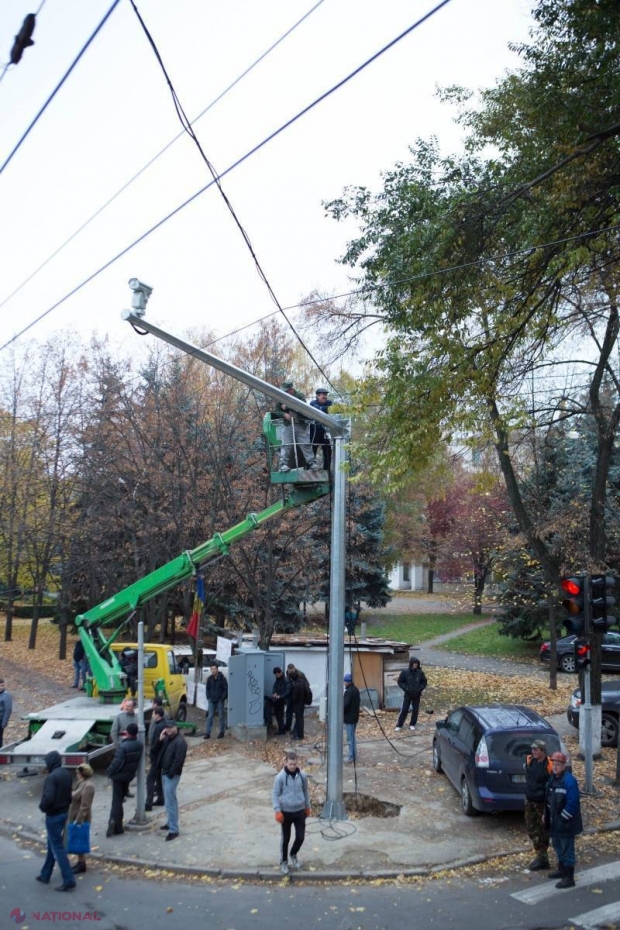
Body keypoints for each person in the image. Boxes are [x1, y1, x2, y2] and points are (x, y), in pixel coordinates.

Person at [36, 750, 75, 891]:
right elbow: (69, 794)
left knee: (57, 848)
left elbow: (48, 798)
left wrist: (42, 807)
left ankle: (69, 879)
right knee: (52, 844)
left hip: (53, 815)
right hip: (64, 813)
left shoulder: (51, 777)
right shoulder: (66, 774)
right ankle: (45, 874)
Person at [544, 751, 583, 889]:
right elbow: (549, 800)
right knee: (557, 845)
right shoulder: (553, 779)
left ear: (563, 765)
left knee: (567, 849)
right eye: (554, 764)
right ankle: (562, 870)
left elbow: (573, 803)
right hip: (556, 822)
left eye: (558, 764)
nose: (555, 767)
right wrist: (546, 815)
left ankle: (569, 877)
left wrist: (562, 819)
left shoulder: (569, 781)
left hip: (566, 823)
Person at [272, 750, 311, 875]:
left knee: (300, 837)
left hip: (300, 811)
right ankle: (284, 861)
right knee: (286, 838)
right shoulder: (280, 777)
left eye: (294, 764)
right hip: (286, 813)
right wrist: (278, 811)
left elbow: (305, 791)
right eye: (290, 764)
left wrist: (307, 806)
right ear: (286, 763)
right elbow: (275, 794)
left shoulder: (303, 775)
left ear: (297, 763)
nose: (293, 766)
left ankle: (293, 854)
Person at [105, 721, 143, 837]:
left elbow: (117, 763)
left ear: (127, 733)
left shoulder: (123, 746)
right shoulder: (139, 745)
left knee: (116, 801)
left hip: (118, 777)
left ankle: (116, 824)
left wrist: (109, 772)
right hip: (128, 776)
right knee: (120, 799)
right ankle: (115, 823)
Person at [273, 380, 320, 473]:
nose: (284, 393)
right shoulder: (281, 397)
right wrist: (284, 415)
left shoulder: (300, 396)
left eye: (286, 391)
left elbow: (301, 408)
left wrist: (287, 407)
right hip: (288, 425)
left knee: (306, 444)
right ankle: (283, 464)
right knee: (286, 445)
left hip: (300, 424)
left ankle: (311, 463)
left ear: (291, 390)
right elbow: (276, 410)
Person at [524, 739, 553, 870]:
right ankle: (540, 854)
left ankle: (543, 858)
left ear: (543, 751)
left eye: (536, 749)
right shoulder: (530, 761)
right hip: (530, 801)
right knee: (531, 828)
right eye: (533, 749)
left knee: (542, 831)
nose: (533, 751)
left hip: (542, 803)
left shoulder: (549, 766)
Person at [159, 722, 187, 841]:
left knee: (170, 801)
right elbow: (157, 752)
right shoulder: (168, 739)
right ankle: (170, 823)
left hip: (171, 774)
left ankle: (173, 829)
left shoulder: (180, 742)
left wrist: (170, 773)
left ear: (176, 728)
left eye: (170, 727)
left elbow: (178, 761)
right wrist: (160, 740)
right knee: (170, 799)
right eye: (167, 728)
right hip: (166, 772)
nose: (168, 729)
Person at [68, 762, 95, 875]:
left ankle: (82, 863)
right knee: (78, 839)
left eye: (78, 773)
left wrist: (78, 820)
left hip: (80, 818)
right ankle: (80, 862)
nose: (77, 775)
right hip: (75, 815)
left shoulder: (88, 786)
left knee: (80, 840)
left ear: (83, 774)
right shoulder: (82, 783)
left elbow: (85, 806)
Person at [110, 698, 138, 798]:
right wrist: (117, 745)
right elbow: (113, 732)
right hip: (122, 746)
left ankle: (126, 790)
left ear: (133, 707)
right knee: (120, 770)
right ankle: (120, 793)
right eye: (125, 706)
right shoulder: (119, 717)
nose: (126, 708)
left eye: (129, 706)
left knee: (129, 771)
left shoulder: (138, 718)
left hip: (133, 748)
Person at [395, 657, 427, 731]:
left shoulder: (420, 673)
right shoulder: (405, 672)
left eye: (417, 663)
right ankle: (399, 725)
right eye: (414, 663)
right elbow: (400, 681)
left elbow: (424, 682)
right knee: (404, 709)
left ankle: (412, 724)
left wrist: (420, 689)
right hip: (408, 694)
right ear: (411, 664)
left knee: (415, 710)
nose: (416, 665)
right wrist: (405, 688)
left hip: (417, 694)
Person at [145, 705, 167, 811]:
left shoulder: (159, 727)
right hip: (161, 757)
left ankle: (148, 803)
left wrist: (151, 751)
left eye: (153, 713)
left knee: (150, 779)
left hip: (157, 757)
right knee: (158, 778)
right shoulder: (163, 724)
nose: (152, 715)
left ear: (157, 715)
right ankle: (161, 798)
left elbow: (157, 743)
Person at [309, 388, 333, 471]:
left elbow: (334, 410)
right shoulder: (313, 403)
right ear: (317, 396)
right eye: (323, 395)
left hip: (325, 431)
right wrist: (328, 409)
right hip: (315, 430)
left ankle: (327, 470)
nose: (325, 397)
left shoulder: (329, 403)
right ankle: (310, 467)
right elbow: (318, 410)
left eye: (325, 395)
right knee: (312, 449)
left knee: (328, 450)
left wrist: (328, 409)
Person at [264, 666, 291, 735]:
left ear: (280, 673)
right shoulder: (278, 679)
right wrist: (274, 693)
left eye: (277, 674)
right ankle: (281, 730)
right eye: (275, 674)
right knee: (278, 714)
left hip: (281, 700)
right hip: (278, 699)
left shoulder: (286, 680)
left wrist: (279, 696)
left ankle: (270, 721)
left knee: (279, 715)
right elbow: (275, 687)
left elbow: (287, 692)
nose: (276, 675)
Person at [204, 664, 228, 739]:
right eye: (212, 669)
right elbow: (207, 688)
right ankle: (207, 733)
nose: (213, 670)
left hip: (219, 700)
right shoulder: (210, 679)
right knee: (210, 717)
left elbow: (226, 689)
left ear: (217, 669)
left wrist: (222, 698)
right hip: (211, 700)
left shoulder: (222, 678)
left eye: (214, 669)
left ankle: (222, 732)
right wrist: (208, 697)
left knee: (221, 716)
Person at [285, 664, 309, 733]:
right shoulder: (288, 672)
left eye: (291, 671)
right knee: (289, 711)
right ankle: (287, 726)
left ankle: (295, 730)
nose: (290, 673)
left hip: (298, 696)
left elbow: (306, 685)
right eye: (289, 671)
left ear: (294, 669)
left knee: (298, 715)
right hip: (291, 695)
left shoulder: (300, 674)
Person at [343, 673, 361, 763]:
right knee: (353, 737)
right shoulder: (356, 690)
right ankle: (354, 755)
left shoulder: (348, 692)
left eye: (344, 681)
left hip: (349, 718)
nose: (343, 683)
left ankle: (351, 756)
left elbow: (344, 705)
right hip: (354, 717)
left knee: (350, 738)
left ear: (347, 682)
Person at [287, 670, 306, 741]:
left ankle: (300, 735)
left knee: (299, 720)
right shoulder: (302, 682)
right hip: (302, 703)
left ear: (291, 679)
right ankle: (297, 733)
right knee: (299, 719)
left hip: (298, 704)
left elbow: (294, 697)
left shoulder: (296, 685)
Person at [0, 677, 12, 748]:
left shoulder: (6, 695)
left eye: (2, 685)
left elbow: (8, 710)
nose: (0, 687)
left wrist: (4, 723)